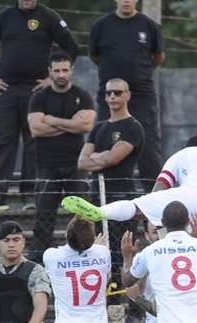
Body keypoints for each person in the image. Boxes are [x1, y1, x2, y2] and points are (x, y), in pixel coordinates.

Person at [0, 0, 79, 211]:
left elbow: (72, 48)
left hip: (36, 91)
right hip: (7, 90)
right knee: (3, 142)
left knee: (34, 144)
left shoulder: (49, 16)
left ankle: (30, 196)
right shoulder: (4, 17)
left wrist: (51, 79)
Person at [64, 134, 197, 255]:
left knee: (137, 207)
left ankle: (101, 212)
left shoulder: (184, 154)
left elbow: (160, 188)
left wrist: (155, 220)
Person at [26, 51, 96, 263]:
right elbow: (36, 129)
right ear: (49, 71)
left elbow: (86, 125)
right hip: (47, 166)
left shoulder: (83, 96)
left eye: (65, 70)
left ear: (71, 70)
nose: (61, 74)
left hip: (76, 165)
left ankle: (86, 258)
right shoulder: (39, 97)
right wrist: (70, 124)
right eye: (56, 70)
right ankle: (38, 265)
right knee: (44, 218)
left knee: (83, 216)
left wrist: (51, 120)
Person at [89, 0, 165, 188]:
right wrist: (116, 83)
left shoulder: (149, 26)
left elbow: (159, 57)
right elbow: (94, 56)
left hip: (141, 95)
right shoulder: (100, 26)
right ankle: (102, 195)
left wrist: (138, 73)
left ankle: (154, 196)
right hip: (110, 95)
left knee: (148, 146)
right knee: (104, 141)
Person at [79, 77, 145, 278]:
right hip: (97, 195)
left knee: (120, 248)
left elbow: (114, 159)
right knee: (97, 245)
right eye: (109, 93)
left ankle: (122, 291)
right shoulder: (98, 127)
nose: (113, 96)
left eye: (118, 92)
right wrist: (104, 157)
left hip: (121, 195)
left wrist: (97, 157)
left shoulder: (133, 127)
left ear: (127, 95)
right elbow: (82, 162)